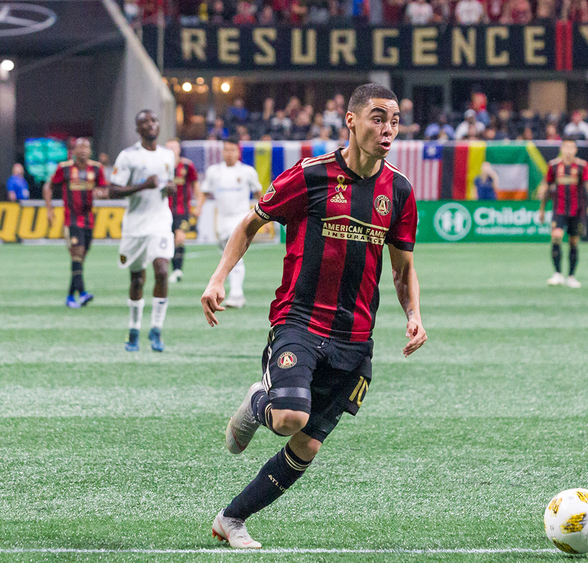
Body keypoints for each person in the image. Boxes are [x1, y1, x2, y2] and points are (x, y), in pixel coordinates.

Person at [202, 83, 425, 549]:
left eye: (394, 120)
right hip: (300, 321)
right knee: (288, 417)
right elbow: (250, 224)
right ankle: (258, 402)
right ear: (351, 121)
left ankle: (231, 519)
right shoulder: (310, 176)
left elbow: (403, 267)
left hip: (355, 337)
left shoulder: (400, 191)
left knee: (307, 443)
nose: (388, 129)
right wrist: (218, 278)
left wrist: (414, 314)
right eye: (378, 118)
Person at [109, 110, 176, 352]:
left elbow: (168, 184)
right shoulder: (128, 156)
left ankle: (156, 329)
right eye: (144, 122)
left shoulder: (168, 155)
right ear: (138, 129)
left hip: (160, 222)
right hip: (135, 226)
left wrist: (169, 188)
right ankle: (134, 329)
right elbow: (113, 191)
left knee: (162, 272)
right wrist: (143, 186)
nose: (150, 125)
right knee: (137, 280)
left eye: (154, 120)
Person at [196, 138, 262, 308]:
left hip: (240, 219)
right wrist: (199, 208)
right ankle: (233, 292)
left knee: (235, 255)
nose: (229, 153)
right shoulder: (214, 172)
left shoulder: (247, 172)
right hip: (221, 220)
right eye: (226, 150)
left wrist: (266, 215)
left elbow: (258, 192)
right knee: (226, 257)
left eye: (232, 150)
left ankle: (236, 294)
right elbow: (205, 192)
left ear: (238, 152)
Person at [43, 138, 108, 308]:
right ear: (74, 151)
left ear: (90, 151)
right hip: (71, 219)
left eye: (86, 147)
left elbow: (105, 189)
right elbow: (48, 186)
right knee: (77, 255)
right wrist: (49, 209)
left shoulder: (97, 168)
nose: (83, 150)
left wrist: (101, 193)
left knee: (79, 260)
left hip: (89, 220)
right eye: (80, 147)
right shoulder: (64, 168)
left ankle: (70, 296)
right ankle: (83, 293)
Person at [537, 139, 588, 289]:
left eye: (571, 148)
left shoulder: (582, 166)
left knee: (573, 241)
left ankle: (571, 276)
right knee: (556, 236)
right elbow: (547, 188)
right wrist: (542, 209)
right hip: (559, 210)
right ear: (561, 149)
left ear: (575, 150)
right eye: (566, 148)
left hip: (577, 210)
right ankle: (557, 274)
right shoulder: (553, 166)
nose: (568, 151)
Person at [165, 139, 200, 283]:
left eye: (175, 147)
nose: (172, 150)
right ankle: (167, 269)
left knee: (179, 238)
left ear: (179, 149)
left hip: (182, 210)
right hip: (164, 211)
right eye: (169, 147)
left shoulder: (187, 165)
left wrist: (199, 205)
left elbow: (195, 185)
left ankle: (177, 270)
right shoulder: (162, 166)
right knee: (167, 240)